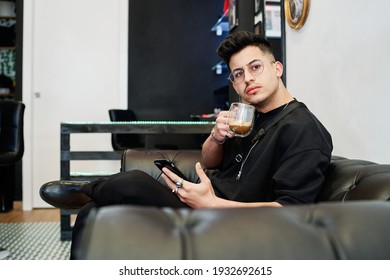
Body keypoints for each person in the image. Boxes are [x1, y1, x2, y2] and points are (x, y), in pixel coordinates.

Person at [40, 31, 332, 259]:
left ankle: (84, 189)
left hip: (227, 223)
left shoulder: (304, 130)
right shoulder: (249, 116)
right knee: (94, 213)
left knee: (133, 183)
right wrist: (216, 137)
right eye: (238, 74)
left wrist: (212, 203)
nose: (248, 79)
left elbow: (292, 212)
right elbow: (211, 162)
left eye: (255, 67)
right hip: (204, 204)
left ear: (277, 68)